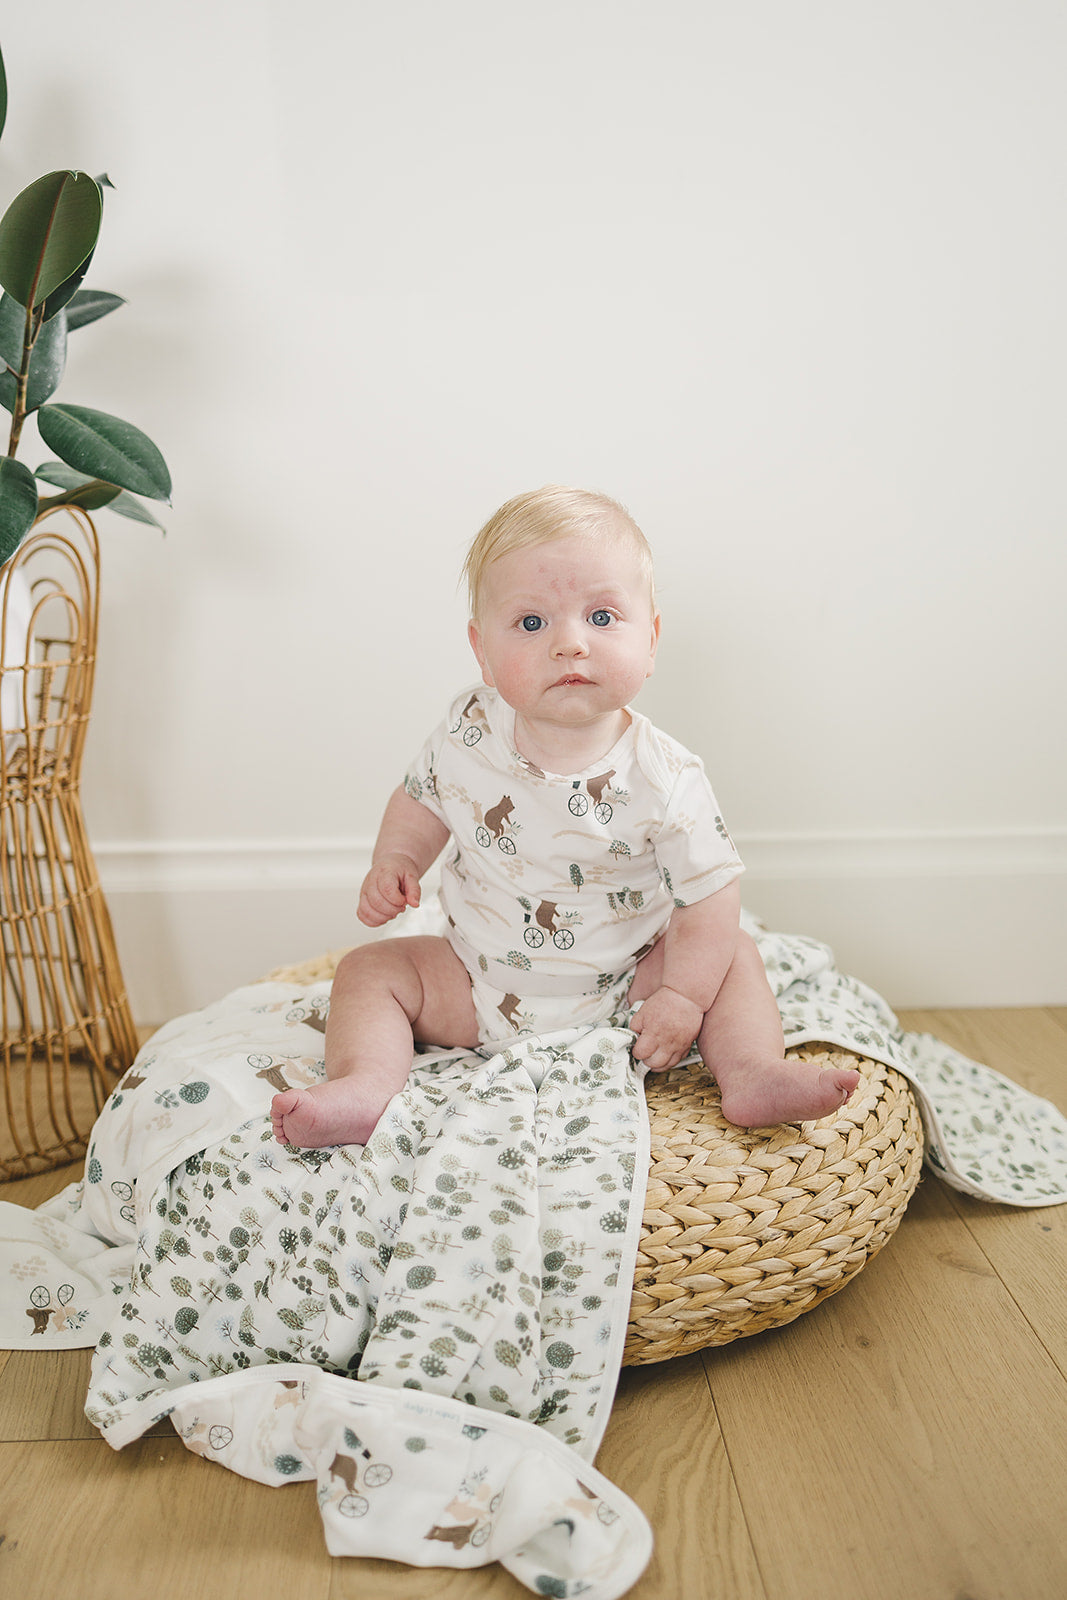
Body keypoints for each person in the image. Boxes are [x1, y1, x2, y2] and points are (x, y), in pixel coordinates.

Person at [271, 486, 859, 1148]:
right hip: (473, 982)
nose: (571, 645)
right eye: (530, 623)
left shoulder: (665, 778)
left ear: (652, 638)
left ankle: (751, 1071)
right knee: (367, 973)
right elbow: (421, 795)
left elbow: (709, 896)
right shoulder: (468, 729)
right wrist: (398, 860)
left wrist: (682, 1000)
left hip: (625, 988)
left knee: (732, 957)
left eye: (603, 617)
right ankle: (365, 1087)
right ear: (481, 652)